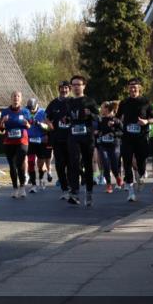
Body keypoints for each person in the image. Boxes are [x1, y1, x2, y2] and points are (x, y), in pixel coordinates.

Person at [116, 79, 153, 203]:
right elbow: (118, 117)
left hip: (141, 137)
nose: (133, 90)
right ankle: (131, 191)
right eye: (131, 87)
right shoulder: (124, 102)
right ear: (128, 88)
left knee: (141, 162)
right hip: (127, 137)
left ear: (139, 88)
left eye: (135, 87)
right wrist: (115, 122)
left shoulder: (145, 102)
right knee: (127, 161)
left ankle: (141, 174)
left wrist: (146, 121)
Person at [65, 75, 100, 207]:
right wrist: (66, 120)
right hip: (73, 136)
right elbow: (69, 118)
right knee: (73, 163)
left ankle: (89, 192)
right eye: (73, 85)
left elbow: (98, 118)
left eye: (78, 84)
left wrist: (90, 114)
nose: (76, 87)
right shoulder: (69, 102)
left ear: (83, 86)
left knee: (88, 165)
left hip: (87, 137)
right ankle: (74, 192)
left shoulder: (90, 101)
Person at [0, 91, 31, 198]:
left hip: (22, 141)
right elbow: (1, 129)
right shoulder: (5, 112)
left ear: (21, 99)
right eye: (14, 96)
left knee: (19, 163)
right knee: (12, 166)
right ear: (11, 98)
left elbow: (29, 126)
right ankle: (15, 188)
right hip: (9, 141)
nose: (16, 98)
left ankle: (22, 187)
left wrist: (27, 124)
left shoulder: (25, 111)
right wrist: (3, 122)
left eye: (18, 96)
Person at [45, 81, 72, 199]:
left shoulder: (72, 102)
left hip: (71, 139)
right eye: (62, 88)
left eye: (66, 88)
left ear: (69, 89)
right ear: (59, 89)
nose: (64, 90)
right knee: (60, 165)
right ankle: (64, 189)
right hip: (57, 140)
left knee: (71, 165)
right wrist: (49, 123)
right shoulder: (53, 103)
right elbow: (46, 116)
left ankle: (72, 187)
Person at [95, 100, 123, 193]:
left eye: (102, 108)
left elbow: (122, 132)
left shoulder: (116, 120)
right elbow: (97, 130)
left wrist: (113, 133)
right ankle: (109, 185)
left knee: (114, 166)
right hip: (103, 146)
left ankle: (118, 177)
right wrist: (97, 133)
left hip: (114, 146)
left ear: (107, 109)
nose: (100, 109)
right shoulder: (100, 120)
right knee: (106, 165)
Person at [25, 97, 51, 192]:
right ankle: (33, 184)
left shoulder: (43, 112)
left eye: (32, 108)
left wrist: (39, 124)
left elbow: (49, 127)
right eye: (29, 108)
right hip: (30, 140)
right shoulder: (25, 111)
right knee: (31, 162)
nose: (30, 110)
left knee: (40, 164)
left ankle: (40, 178)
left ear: (36, 105)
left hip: (41, 140)